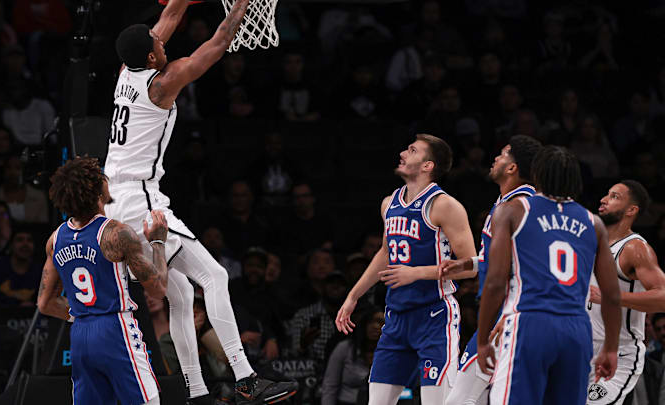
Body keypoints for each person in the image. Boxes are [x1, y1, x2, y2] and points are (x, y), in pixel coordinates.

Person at [103, 0, 298, 403]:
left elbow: (168, 19)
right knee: (215, 277)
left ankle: (195, 391)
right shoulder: (162, 82)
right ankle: (245, 378)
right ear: (152, 54)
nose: (162, 37)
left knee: (180, 295)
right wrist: (242, 4)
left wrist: (180, 2)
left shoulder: (127, 71)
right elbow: (217, 43)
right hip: (140, 199)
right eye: (156, 41)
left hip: (117, 198)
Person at [335, 134, 477, 404]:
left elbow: (470, 266)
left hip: (434, 316)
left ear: (427, 166)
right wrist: (354, 295)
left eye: (412, 151)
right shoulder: (389, 203)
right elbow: (385, 253)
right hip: (397, 317)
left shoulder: (445, 205)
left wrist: (417, 273)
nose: (403, 153)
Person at [477, 146, 622, 404]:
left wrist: (482, 338)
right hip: (577, 330)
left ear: (537, 174)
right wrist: (611, 347)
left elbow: (496, 282)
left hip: (530, 322)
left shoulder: (513, 210)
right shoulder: (593, 223)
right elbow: (611, 294)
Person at [37, 157, 170, 405]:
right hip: (115, 328)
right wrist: (158, 242)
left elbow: (45, 304)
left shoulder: (55, 240)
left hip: (80, 334)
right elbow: (159, 288)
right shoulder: (116, 233)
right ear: (99, 190)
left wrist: (83, 316)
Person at [440, 135, 543, 405]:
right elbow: (502, 260)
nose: (495, 158)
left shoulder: (521, 207)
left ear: (512, 168)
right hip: (507, 313)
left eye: (503, 154)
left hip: (509, 314)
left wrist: (510, 314)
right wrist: (468, 263)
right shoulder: (506, 203)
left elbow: (536, 267)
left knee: (460, 401)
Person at [586, 180, 665, 404]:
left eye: (614, 197)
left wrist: (613, 298)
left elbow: (663, 296)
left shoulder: (635, 248)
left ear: (631, 210)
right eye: (606, 195)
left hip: (620, 352)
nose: (603, 200)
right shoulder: (591, 242)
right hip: (581, 347)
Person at [322, 308, 385, 405]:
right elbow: (330, 386)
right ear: (363, 325)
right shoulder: (345, 348)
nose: (376, 326)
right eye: (371, 322)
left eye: (381, 322)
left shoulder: (390, 352)